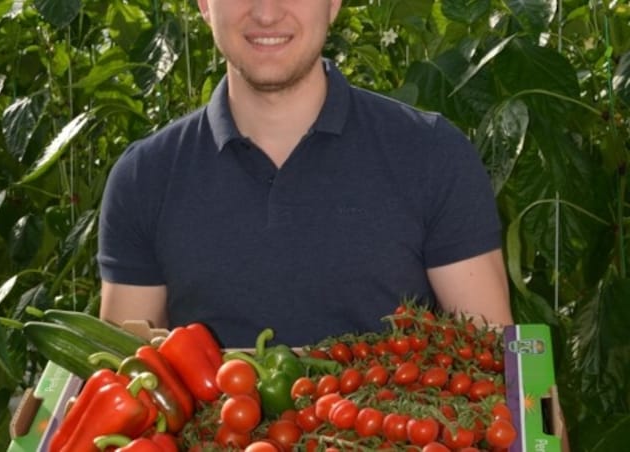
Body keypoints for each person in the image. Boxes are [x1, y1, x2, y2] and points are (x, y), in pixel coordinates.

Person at [97, 0, 514, 348]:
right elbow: (124, 382)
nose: (266, 13)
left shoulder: (432, 155)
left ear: (333, 4)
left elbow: (498, 369)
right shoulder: (144, 178)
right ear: (205, 5)